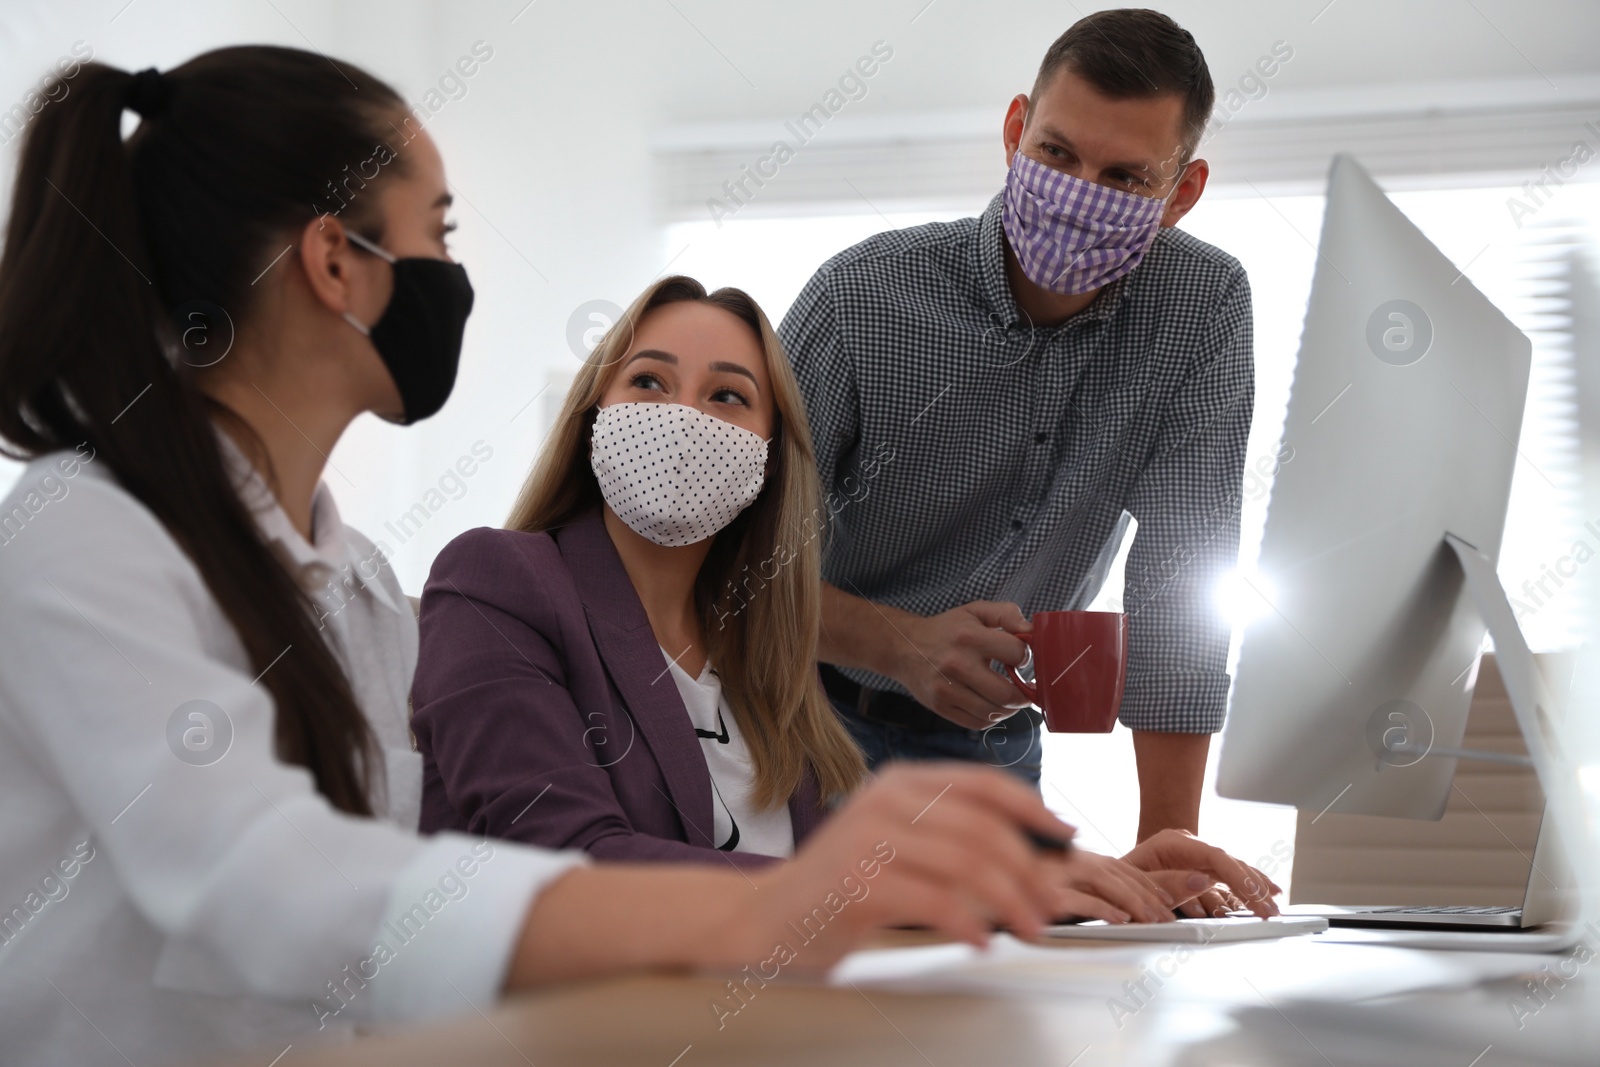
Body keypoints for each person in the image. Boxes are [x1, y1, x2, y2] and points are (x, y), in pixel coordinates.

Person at [0, 48, 1094, 1067]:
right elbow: (262, 882)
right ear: (337, 259)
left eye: (729, 396)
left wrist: (991, 882)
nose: (451, 272)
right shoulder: (79, 530)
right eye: (436, 228)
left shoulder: (362, 585)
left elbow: (424, 885)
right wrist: (778, 904)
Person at [411, 274, 1281, 924]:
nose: (684, 417)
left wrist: (1096, 877)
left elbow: (857, 884)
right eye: (648, 381)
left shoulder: (763, 656)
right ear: (593, 413)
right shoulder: (496, 582)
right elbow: (573, 866)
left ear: (772, 457)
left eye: (727, 395)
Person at [779, 9, 1252, 855]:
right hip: (804, 725)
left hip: (994, 753)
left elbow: (1181, 580)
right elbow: (731, 570)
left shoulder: (1202, 308)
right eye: (1058, 154)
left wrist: (1168, 839)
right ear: (1013, 131)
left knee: (1005, 984)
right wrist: (901, 644)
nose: (1079, 195)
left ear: (1182, 193)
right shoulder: (860, 299)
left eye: (1125, 178)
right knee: (818, 982)